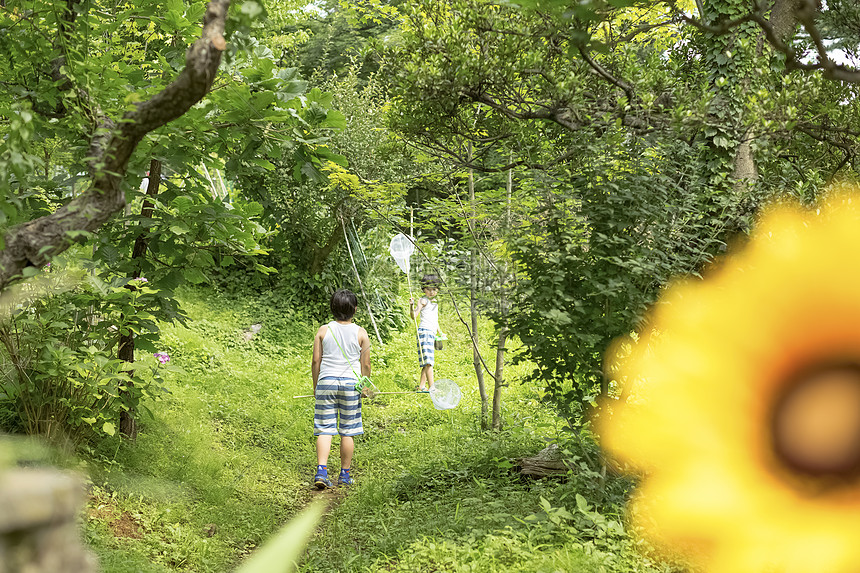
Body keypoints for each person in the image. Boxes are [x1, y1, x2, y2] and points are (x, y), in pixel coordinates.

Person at [311, 289, 371, 489]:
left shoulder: (323, 330)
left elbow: (316, 361)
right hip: (350, 385)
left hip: (326, 382)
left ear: (332, 309)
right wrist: (364, 387)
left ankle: (321, 471)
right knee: (348, 431)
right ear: (355, 309)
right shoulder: (361, 333)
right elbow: (366, 365)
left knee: (325, 429)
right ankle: (344, 475)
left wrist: (316, 385)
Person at [409, 274, 441, 392]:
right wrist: (411, 306)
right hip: (425, 332)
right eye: (429, 289)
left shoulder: (435, 302)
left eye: (434, 289)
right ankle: (432, 388)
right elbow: (414, 315)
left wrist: (439, 332)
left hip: (431, 333)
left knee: (426, 361)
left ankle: (422, 386)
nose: (431, 292)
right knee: (429, 362)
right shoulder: (423, 300)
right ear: (424, 289)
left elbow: (434, 319)